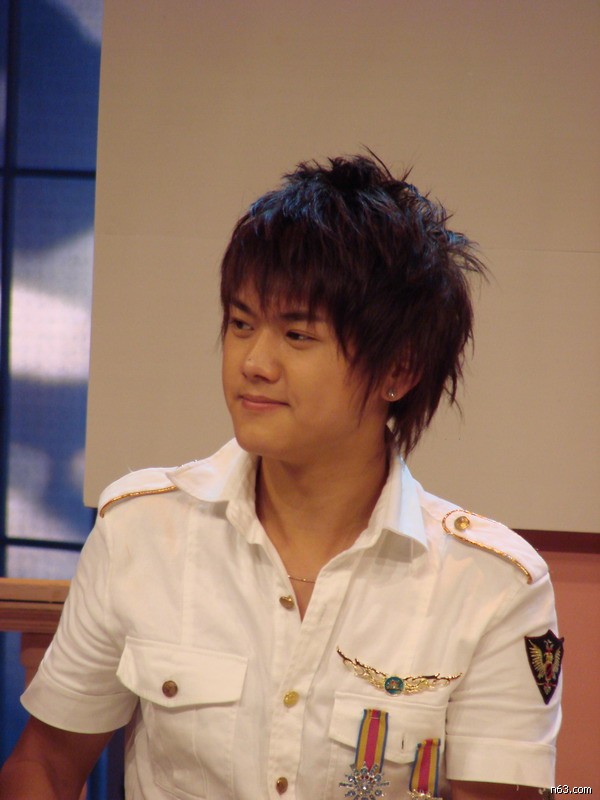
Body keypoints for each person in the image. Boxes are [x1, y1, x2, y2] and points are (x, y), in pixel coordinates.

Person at [0, 154, 562, 800]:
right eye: (242, 324)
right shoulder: (141, 530)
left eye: (297, 335)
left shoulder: (493, 587)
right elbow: (43, 765)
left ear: (399, 371)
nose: (254, 362)